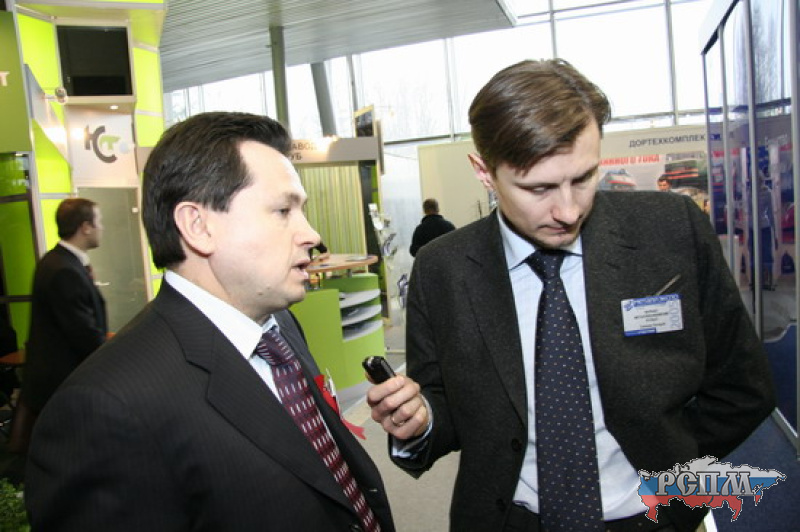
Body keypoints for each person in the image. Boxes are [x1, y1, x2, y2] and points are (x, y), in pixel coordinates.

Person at [366, 59, 775, 532]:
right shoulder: (443, 269)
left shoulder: (672, 230)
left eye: (583, 178)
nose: (568, 210)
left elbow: (743, 385)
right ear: (484, 171)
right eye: (538, 188)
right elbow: (443, 404)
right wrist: (420, 421)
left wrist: (675, 466)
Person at [25, 112, 395, 531]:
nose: (311, 234)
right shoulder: (103, 409)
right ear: (198, 226)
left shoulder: (281, 326)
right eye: (282, 210)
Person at [18, 198, 107, 422]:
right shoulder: (63, 270)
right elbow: (83, 334)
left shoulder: (58, 261)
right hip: (64, 385)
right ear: (85, 227)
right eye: (99, 221)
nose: (102, 227)